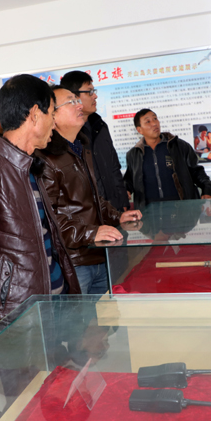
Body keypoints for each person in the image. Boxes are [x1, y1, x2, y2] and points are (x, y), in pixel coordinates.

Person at [0, 74, 81, 329]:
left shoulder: (30, 165)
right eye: (52, 113)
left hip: (55, 307)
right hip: (18, 319)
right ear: (35, 114)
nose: (54, 123)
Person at [35, 86, 140, 294]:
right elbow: (48, 217)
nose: (79, 106)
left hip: (97, 253)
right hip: (74, 261)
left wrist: (117, 216)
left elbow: (93, 198)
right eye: (71, 102)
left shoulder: (80, 148)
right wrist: (92, 233)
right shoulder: (45, 158)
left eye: (78, 100)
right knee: (77, 316)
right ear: (52, 115)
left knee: (107, 313)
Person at [60, 71, 129, 212]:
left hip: (114, 208)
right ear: (74, 97)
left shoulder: (100, 126)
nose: (95, 96)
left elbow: (114, 167)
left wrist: (123, 201)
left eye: (94, 91)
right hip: (90, 212)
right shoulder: (70, 132)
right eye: (89, 92)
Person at [124, 109, 211, 209]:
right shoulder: (134, 154)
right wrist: (125, 191)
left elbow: (197, 171)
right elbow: (130, 179)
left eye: (155, 118)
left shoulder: (179, 146)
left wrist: (207, 190)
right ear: (139, 130)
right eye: (148, 121)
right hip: (149, 213)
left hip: (182, 210)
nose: (154, 123)